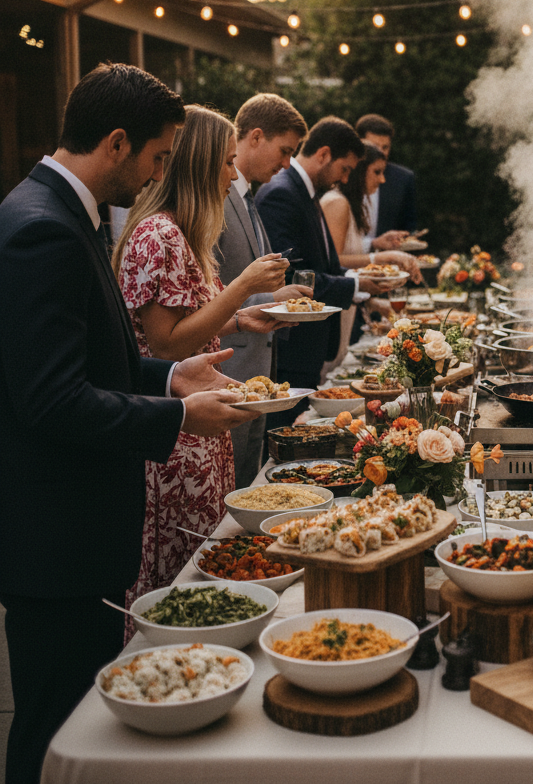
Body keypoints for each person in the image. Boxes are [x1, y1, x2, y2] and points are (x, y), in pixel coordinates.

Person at [0, 63, 257, 784]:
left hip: (74, 535)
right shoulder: (41, 229)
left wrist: (173, 375)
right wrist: (176, 415)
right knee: (56, 728)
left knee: (74, 713)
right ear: (117, 143)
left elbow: (96, 364)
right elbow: (51, 400)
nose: (157, 174)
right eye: (158, 156)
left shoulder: (55, 212)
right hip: (58, 541)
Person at [114, 106, 289, 615]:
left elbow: (189, 323)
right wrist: (242, 288)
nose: (234, 175)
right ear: (199, 162)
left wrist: (240, 320)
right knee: (180, 577)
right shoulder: (159, 235)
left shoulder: (184, 232)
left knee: (203, 567)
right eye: (227, 162)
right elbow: (165, 345)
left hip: (199, 422)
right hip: (174, 429)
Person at [256, 117, 385, 408]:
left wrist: (357, 280)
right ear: (324, 154)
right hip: (291, 350)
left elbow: (324, 264)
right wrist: (354, 284)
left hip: (308, 350)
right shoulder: (282, 193)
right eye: (345, 169)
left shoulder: (306, 192)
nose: (344, 179)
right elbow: (288, 276)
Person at [216, 93, 311, 486]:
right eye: (284, 151)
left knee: (248, 480)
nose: (288, 163)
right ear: (255, 136)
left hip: (258, 368)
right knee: (228, 490)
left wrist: (275, 300)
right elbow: (208, 293)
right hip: (227, 367)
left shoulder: (250, 197)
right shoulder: (217, 201)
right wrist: (265, 301)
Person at [320, 143, 424, 376]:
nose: (383, 180)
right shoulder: (337, 202)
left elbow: (349, 246)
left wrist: (375, 244)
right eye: (377, 172)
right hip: (333, 312)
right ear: (359, 171)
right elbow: (334, 260)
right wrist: (382, 257)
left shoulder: (349, 204)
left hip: (348, 308)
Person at [355, 113, 417, 241]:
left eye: (385, 147)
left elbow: (408, 226)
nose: (381, 153)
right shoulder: (342, 174)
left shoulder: (403, 179)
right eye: (374, 146)